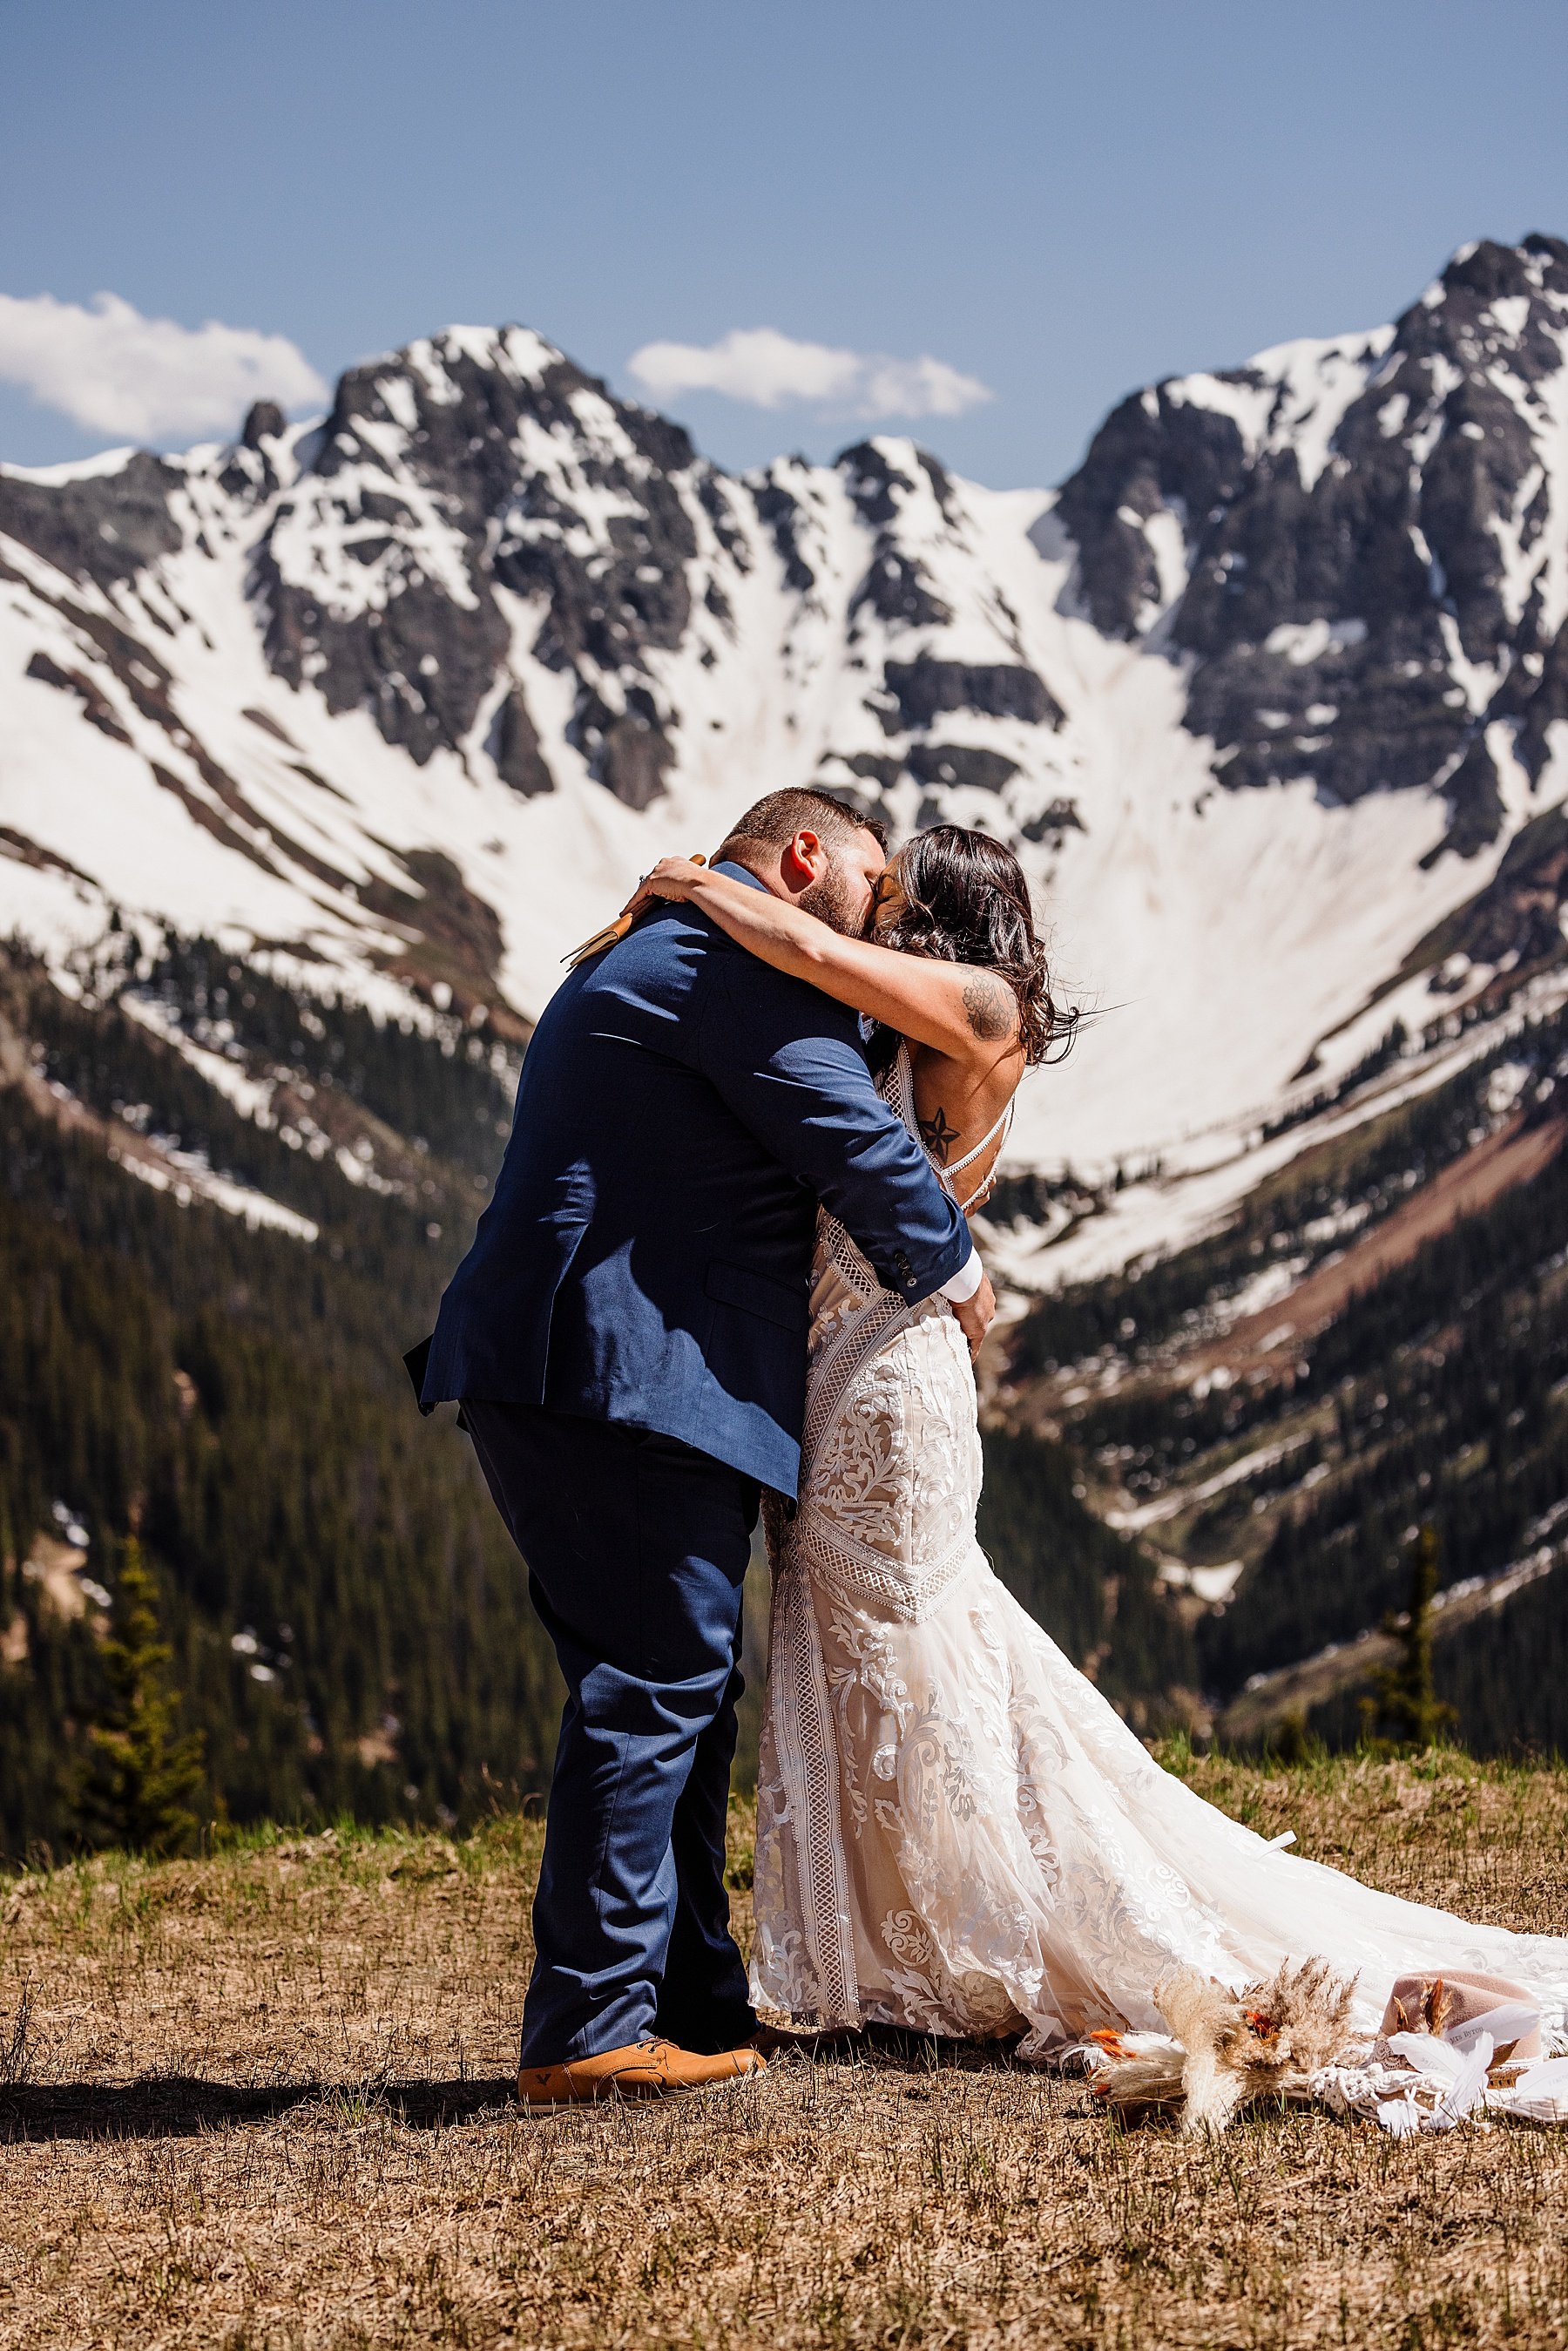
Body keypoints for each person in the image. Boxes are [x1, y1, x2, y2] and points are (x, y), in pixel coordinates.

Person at [629, 826, 1568, 2057]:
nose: (886, 918)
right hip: (848, 1380)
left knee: (911, 1664)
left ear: (950, 913)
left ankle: (979, 1950)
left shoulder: (982, 1010)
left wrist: (699, 885)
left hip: (891, 1395)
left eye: (906, 898)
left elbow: (805, 945)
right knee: (890, 1664)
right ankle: (912, 1954)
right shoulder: (921, 1023)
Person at [409, 789, 994, 2107]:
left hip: (565, 1365)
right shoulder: (731, 965)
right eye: (867, 886)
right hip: (620, 1371)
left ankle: (690, 1998)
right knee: (660, 1673)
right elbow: (847, 1137)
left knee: (670, 1680)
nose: (879, 919)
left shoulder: (656, 942)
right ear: (802, 861)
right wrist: (957, 1273)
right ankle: (587, 2026)